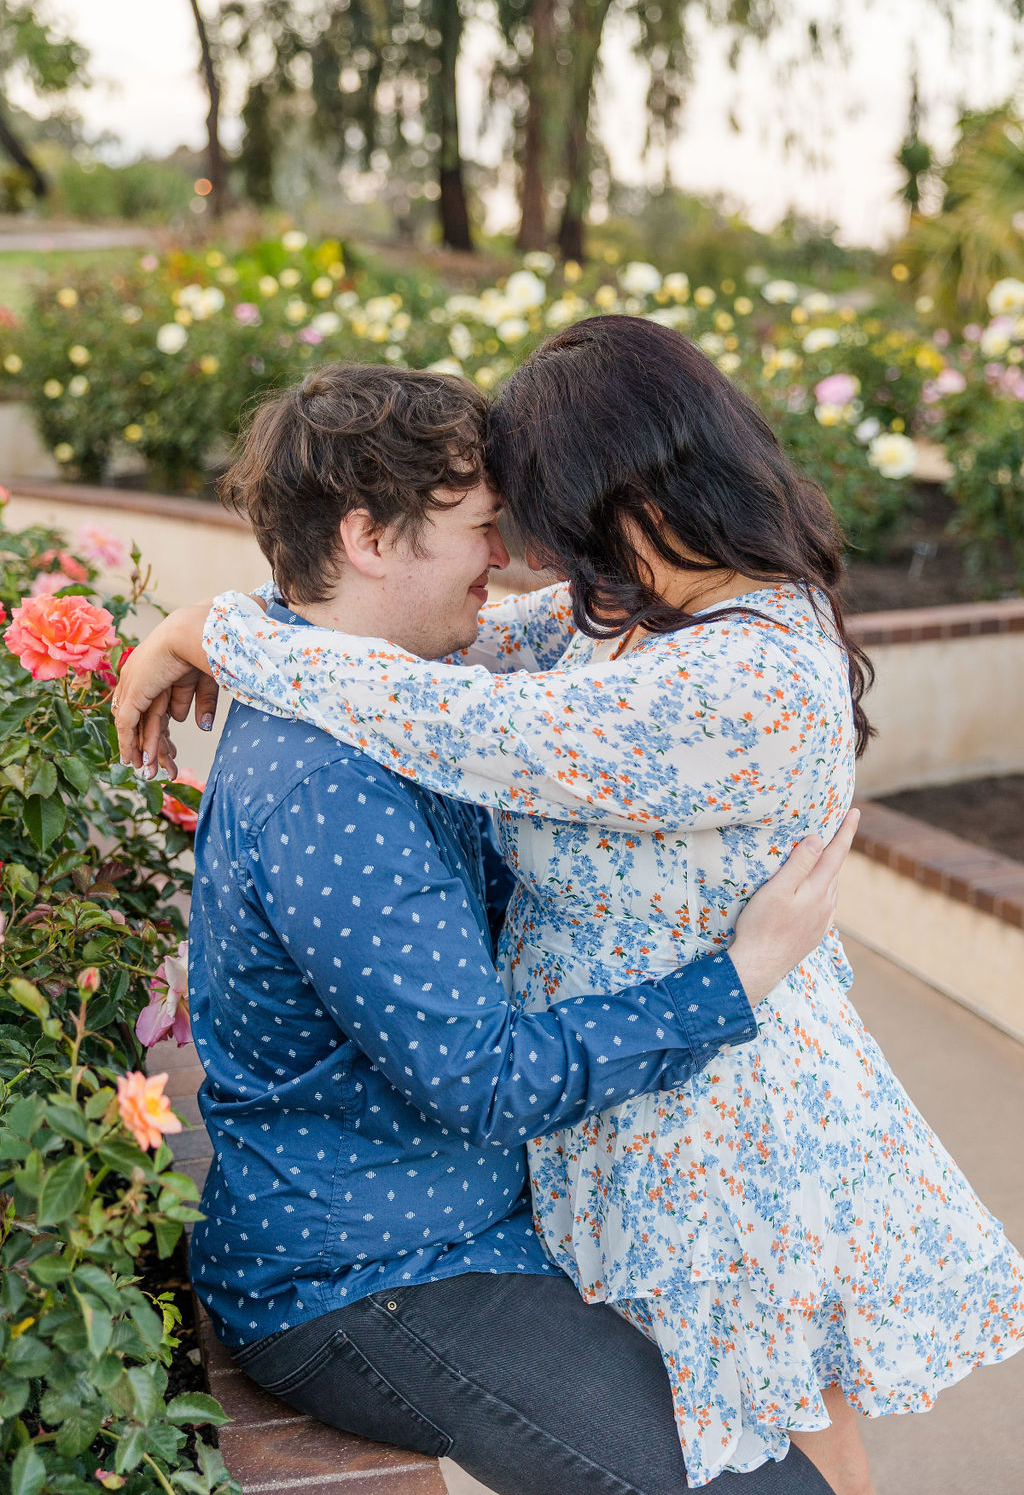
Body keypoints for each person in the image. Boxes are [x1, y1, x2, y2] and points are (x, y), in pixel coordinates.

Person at [116, 325, 1024, 1491]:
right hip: (396, 1243)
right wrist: (226, 628)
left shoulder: (711, 661)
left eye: (533, 508)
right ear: (366, 537)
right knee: (784, 1444)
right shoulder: (355, 760)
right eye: (486, 523)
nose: (520, 550)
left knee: (798, 1433)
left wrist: (220, 630)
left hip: (707, 1129)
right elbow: (483, 1060)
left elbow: (467, 707)